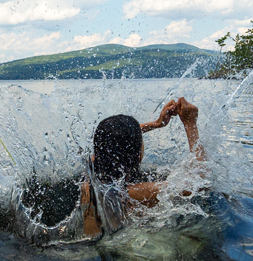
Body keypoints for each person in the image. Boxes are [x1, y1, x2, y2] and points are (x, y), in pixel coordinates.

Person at [82, 97, 202, 236]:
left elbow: (110, 142)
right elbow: (199, 182)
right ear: (137, 155)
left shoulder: (89, 182)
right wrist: (190, 123)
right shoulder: (132, 194)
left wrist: (157, 123)